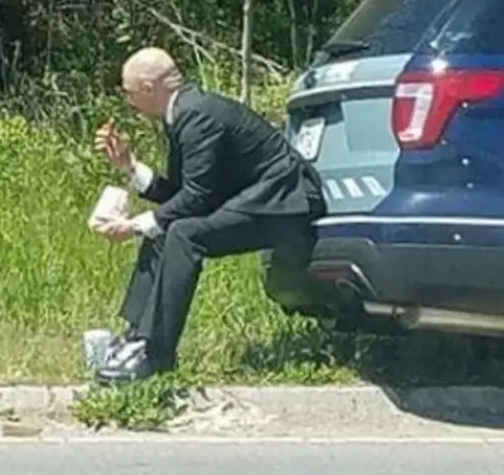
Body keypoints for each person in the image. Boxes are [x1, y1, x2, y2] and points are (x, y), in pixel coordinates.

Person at [91, 48, 327, 382]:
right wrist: (129, 168)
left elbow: (197, 197)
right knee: (166, 228)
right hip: (262, 199)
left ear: (147, 87)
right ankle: (135, 336)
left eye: (128, 92)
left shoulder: (197, 115)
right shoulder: (184, 113)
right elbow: (182, 194)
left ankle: (154, 354)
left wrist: (134, 226)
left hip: (285, 203)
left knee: (181, 233)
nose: (128, 101)